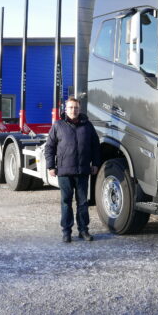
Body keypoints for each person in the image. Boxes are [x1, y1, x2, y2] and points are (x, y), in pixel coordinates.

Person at [45, 96, 101, 243]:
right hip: (64, 172)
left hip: (82, 171)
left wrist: (95, 164)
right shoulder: (58, 125)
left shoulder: (87, 126)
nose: (73, 110)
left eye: (76, 107)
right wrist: (51, 166)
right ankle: (66, 231)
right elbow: (49, 147)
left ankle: (83, 230)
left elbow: (95, 146)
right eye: (70, 107)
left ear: (79, 109)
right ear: (66, 109)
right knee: (66, 202)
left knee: (82, 203)